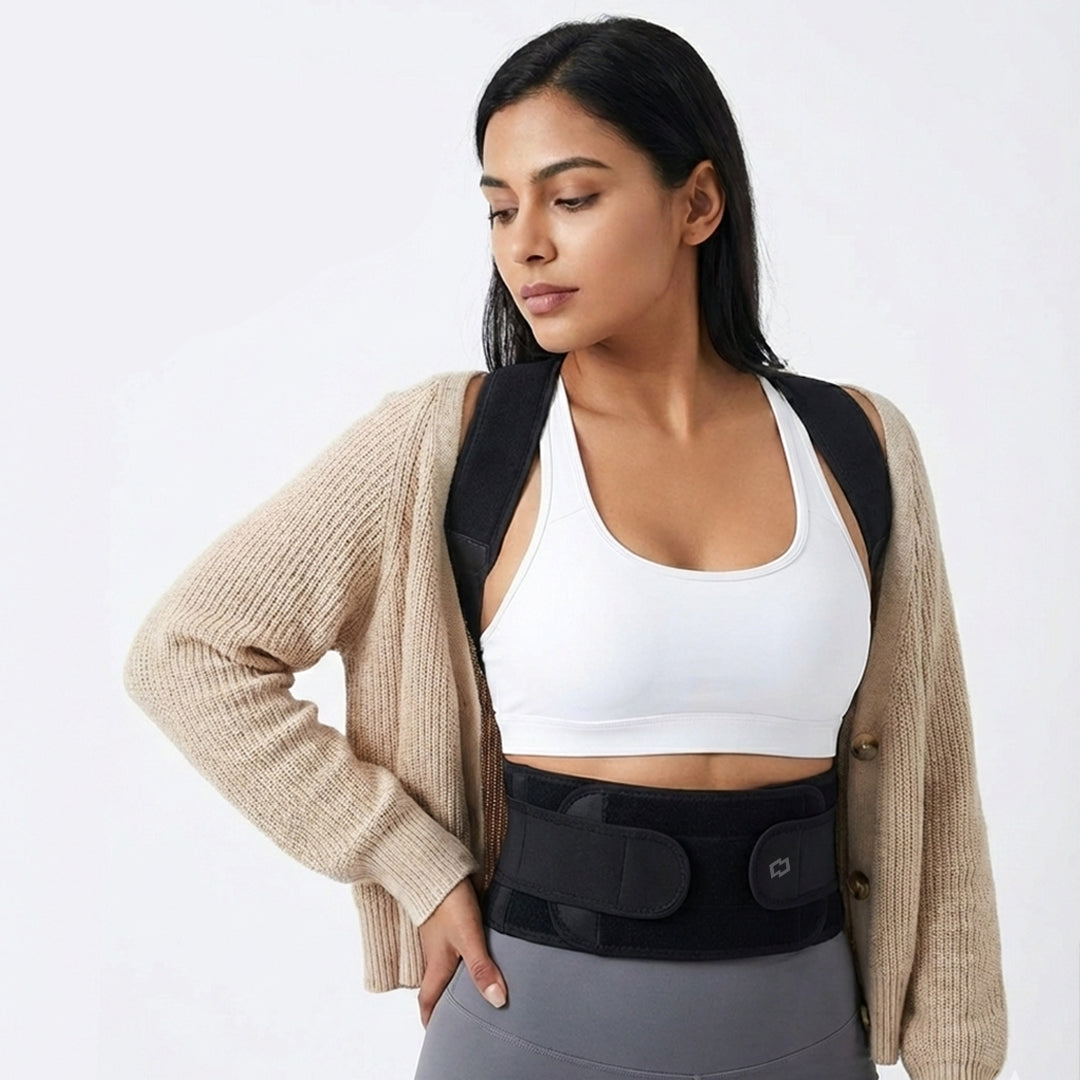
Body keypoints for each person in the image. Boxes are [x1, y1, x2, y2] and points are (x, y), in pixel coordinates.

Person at [123, 15, 1007, 1080]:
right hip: (526, 1033)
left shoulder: (859, 445)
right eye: (501, 208)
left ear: (698, 204)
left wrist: (962, 1062)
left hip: (806, 1039)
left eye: (571, 198)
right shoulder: (452, 443)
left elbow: (935, 789)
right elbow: (187, 652)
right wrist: (410, 860)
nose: (525, 244)